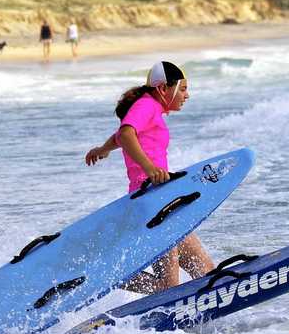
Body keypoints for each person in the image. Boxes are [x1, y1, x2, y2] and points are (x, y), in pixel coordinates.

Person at [84, 61, 214, 292]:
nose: (187, 95)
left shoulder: (149, 108)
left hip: (164, 202)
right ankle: (107, 278)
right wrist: (149, 169)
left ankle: (212, 313)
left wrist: (102, 149)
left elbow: (120, 136)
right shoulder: (147, 105)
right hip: (152, 204)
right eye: (182, 89)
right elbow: (126, 134)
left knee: (206, 273)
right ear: (164, 88)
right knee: (168, 286)